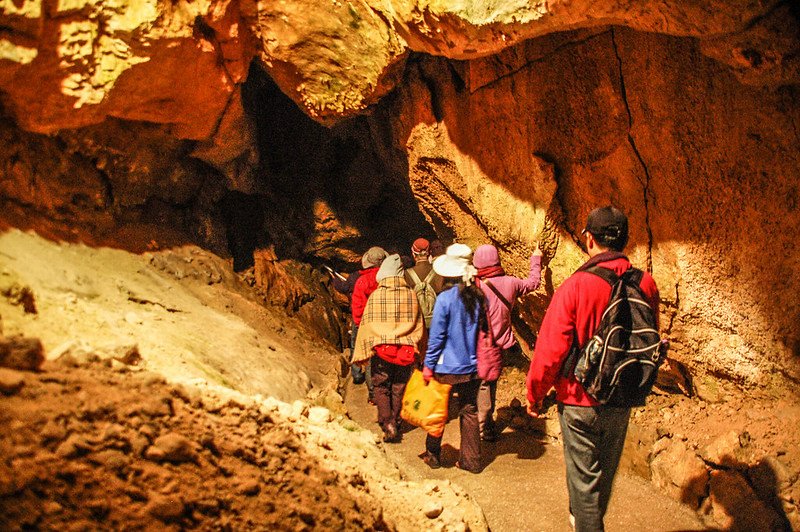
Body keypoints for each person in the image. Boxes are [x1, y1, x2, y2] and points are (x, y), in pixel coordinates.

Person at [526, 206, 659, 531]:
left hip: (578, 397)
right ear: (625, 239)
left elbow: (551, 349)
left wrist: (536, 394)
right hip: (621, 396)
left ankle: (586, 523)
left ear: (589, 239)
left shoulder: (576, 285)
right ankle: (587, 519)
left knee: (584, 481)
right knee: (604, 476)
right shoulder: (646, 283)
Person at [421, 243, 485, 473]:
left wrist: (428, 365)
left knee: (439, 410)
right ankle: (472, 461)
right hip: (472, 365)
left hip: (446, 366)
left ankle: (433, 454)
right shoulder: (478, 297)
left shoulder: (445, 299)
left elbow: (437, 337)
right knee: (469, 411)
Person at [351, 255, 424, 442]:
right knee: (399, 386)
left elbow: (366, 324)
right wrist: (420, 348)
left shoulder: (377, 295)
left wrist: (363, 350)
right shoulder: (411, 294)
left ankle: (387, 422)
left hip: (382, 349)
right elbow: (419, 324)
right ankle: (396, 421)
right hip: (405, 350)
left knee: (381, 386)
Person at [473, 242, 542, 441]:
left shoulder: (473, 285)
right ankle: (485, 425)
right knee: (490, 382)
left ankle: (481, 428)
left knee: (481, 385)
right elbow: (533, 283)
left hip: (478, 344)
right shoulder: (511, 283)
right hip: (500, 344)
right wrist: (535, 258)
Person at [350, 246, 388, 397]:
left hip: (365, 322)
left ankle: (369, 387)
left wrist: (359, 325)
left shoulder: (362, 281)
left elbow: (357, 305)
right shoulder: (385, 279)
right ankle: (381, 387)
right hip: (383, 322)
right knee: (379, 356)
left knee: (364, 354)